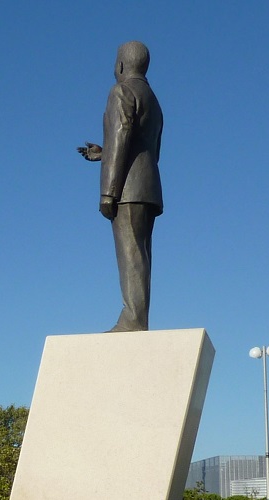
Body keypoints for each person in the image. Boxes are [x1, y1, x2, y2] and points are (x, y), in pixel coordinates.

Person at [77, 40, 164, 332]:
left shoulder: (120, 91)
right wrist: (104, 153)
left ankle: (133, 319)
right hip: (148, 187)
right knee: (142, 254)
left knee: (131, 255)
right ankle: (138, 317)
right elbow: (149, 148)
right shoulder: (153, 100)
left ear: (122, 65)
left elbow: (122, 136)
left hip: (127, 190)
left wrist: (107, 192)